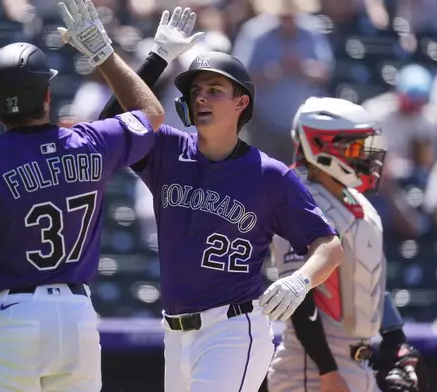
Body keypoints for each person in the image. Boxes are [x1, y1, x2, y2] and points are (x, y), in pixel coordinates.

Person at [0, 0, 165, 390]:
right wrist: (104, 54)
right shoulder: (91, 142)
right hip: (77, 317)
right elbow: (152, 114)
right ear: (47, 96)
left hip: (10, 318)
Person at [98, 9, 345, 391]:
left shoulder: (269, 174)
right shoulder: (167, 150)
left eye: (215, 90)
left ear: (240, 103)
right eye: (195, 91)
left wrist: (300, 280)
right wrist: (157, 56)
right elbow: (111, 128)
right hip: (175, 332)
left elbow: (330, 245)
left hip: (233, 330)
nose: (201, 98)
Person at [267, 97, 428, 392]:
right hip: (312, 366)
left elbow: (371, 284)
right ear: (321, 146)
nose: (367, 156)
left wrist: (397, 344)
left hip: (359, 361)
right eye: (356, 147)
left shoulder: (361, 204)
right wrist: (328, 371)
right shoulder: (300, 201)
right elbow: (301, 298)